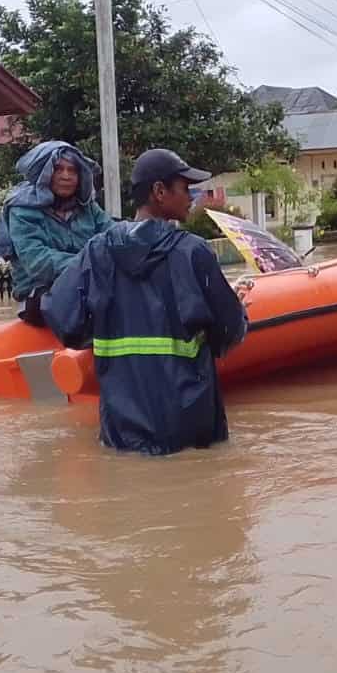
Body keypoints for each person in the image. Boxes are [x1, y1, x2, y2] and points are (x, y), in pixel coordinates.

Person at [45, 149, 249, 455]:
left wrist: (105, 327)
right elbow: (230, 331)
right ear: (159, 191)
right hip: (189, 428)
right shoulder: (194, 253)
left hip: (121, 429)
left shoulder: (97, 251)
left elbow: (62, 318)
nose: (192, 196)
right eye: (185, 188)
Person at [0, 141, 116, 327]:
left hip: (87, 289)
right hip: (39, 296)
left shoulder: (88, 208)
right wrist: (91, 263)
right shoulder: (22, 209)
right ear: (46, 174)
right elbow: (38, 262)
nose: (66, 176)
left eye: (72, 170)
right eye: (58, 169)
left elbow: (113, 238)